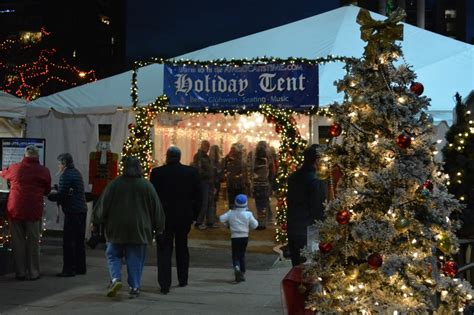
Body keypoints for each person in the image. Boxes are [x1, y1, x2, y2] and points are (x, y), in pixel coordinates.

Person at [92, 156, 165, 298]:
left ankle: (115, 278)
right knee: (135, 258)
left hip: (116, 228)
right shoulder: (146, 186)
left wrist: (96, 220)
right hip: (139, 229)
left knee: (113, 254)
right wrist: (159, 228)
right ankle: (134, 286)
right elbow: (157, 209)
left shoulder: (114, 184)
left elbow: (102, 205)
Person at [150, 146, 202, 294]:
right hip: (184, 217)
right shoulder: (191, 173)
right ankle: (183, 279)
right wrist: (194, 216)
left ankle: (165, 283)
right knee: (182, 247)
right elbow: (199, 197)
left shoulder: (157, 173)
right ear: (179, 157)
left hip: (164, 217)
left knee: (164, 250)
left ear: (167, 157)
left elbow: (153, 198)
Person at [1, 145, 51, 280]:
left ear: (24, 156)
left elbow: (3, 174)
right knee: (33, 242)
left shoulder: (15, 168)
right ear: (38, 157)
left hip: (15, 209)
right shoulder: (43, 171)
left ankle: (20, 273)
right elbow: (47, 190)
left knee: (18, 242)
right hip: (33, 211)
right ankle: (34, 272)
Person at [286, 145, 327, 267]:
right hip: (309, 230)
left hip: (293, 227)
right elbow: (319, 208)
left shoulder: (293, 177)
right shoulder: (316, 181)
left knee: (297, 267)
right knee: (309, 270)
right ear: (317, 160)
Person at [52, 153, 88, 277]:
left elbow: (62, 195)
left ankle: (68, 269)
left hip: (73, 211)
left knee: (68, 242)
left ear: (64, 163)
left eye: (59, 163)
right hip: (81, 210)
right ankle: (80, 267)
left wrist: (51, 195)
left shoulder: (66, 175)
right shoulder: (76, 172)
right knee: (79, 241)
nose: (58, 166)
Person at [219, 194, 258, 282]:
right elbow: (255, 225)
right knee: (242, 254)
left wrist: (227, 224)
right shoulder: (248, 214)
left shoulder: (231, 213)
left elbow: (221, 219)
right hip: (244, 237)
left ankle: (237, 267)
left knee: (235, 255)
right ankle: (243, 271)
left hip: (234, 237)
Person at [192, 140, 216, 229]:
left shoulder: (207, 157)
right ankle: (199, 222)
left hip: (209, 182)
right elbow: (197, 169)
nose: (207, 148)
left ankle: (210, 221)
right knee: (204, 202)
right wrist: (206, 175)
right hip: (203, 182)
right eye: (206, 146)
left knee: (210, 202)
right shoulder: (198, 156)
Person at [251, 141, 274, 230]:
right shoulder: (268, 158)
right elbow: (272, 170)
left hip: (257, 183)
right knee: (264, 202)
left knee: (258, 203)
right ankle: (263, 222)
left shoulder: (254, 157)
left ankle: (260, 221)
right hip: (265, 183)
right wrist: (270, 180)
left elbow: (251, 169)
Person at [224, 143, 248, 209]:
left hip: (234, 182)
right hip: (236, 183)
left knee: (233, 200)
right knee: (237, 201)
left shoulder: (230, 158)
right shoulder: (233, 158)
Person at [209, 144, 223, 223]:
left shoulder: (211, 161)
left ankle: (212, 215)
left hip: (214, 182)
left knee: (213, 200)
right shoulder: (215, 162)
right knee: (212, 200)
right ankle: (212, 216)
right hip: (214, 182)